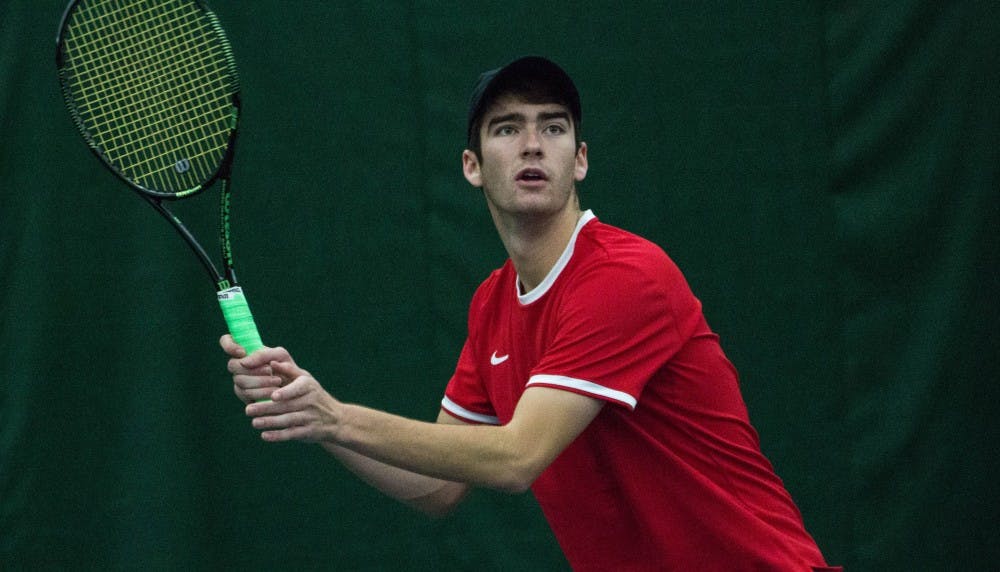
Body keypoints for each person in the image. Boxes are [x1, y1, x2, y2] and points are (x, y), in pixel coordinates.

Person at [221, 56, 839, 571]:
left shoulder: (625, 277)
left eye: (553, 125)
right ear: (472, 166)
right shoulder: (492, 303)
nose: (533, 143)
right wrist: (308, 411)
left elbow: (517, 457)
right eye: (507, 128)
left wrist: (336, 416)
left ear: (580, 159)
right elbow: (438, 486)